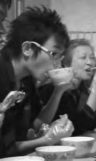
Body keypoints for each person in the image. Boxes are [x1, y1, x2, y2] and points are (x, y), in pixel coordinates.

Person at [0, 7, 72, 156]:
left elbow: (35, 125)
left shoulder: (26, 80)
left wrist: (58, 91)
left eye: (60, 57)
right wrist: (44, 141)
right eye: (54, 54)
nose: (57, 65)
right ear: (27, 48)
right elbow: (4, 150)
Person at [38, 39, 96, 136]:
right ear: (67, 63)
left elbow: (92, 123)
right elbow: (79, 129)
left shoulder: (82, 88)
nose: (89, 62)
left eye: (92, 57)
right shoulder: (56, 88)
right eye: (83, 57)